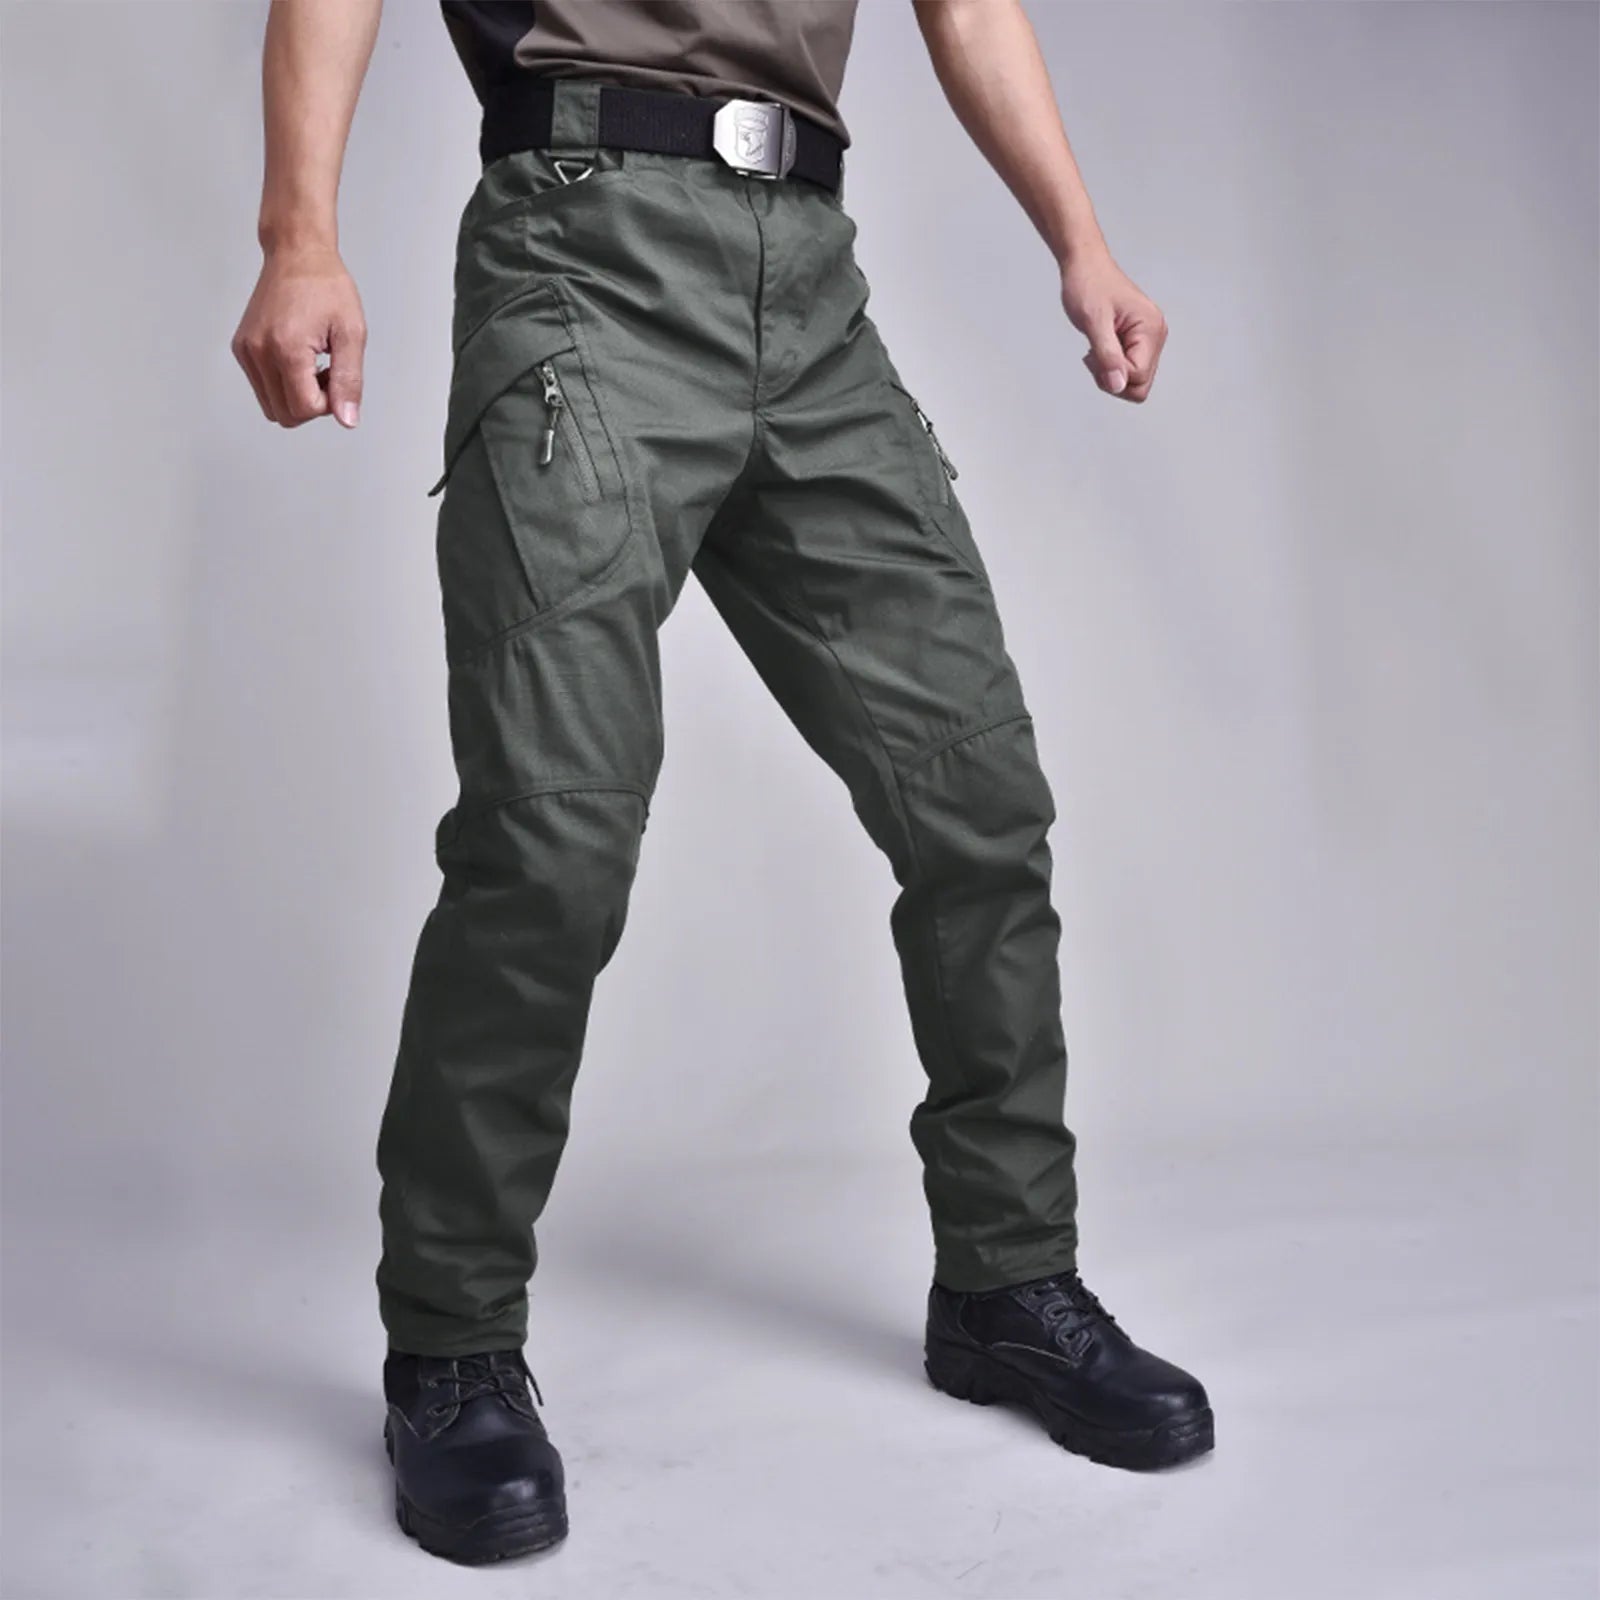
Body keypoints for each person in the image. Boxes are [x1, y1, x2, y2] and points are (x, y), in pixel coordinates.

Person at [232, 0, 1213, 1566]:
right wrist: (300, 234)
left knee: (978, 803)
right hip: (584, 263)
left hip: (809, 284)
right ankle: (452, 1346)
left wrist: (1079, 242)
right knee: (552, 836)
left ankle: (1007, 1280)